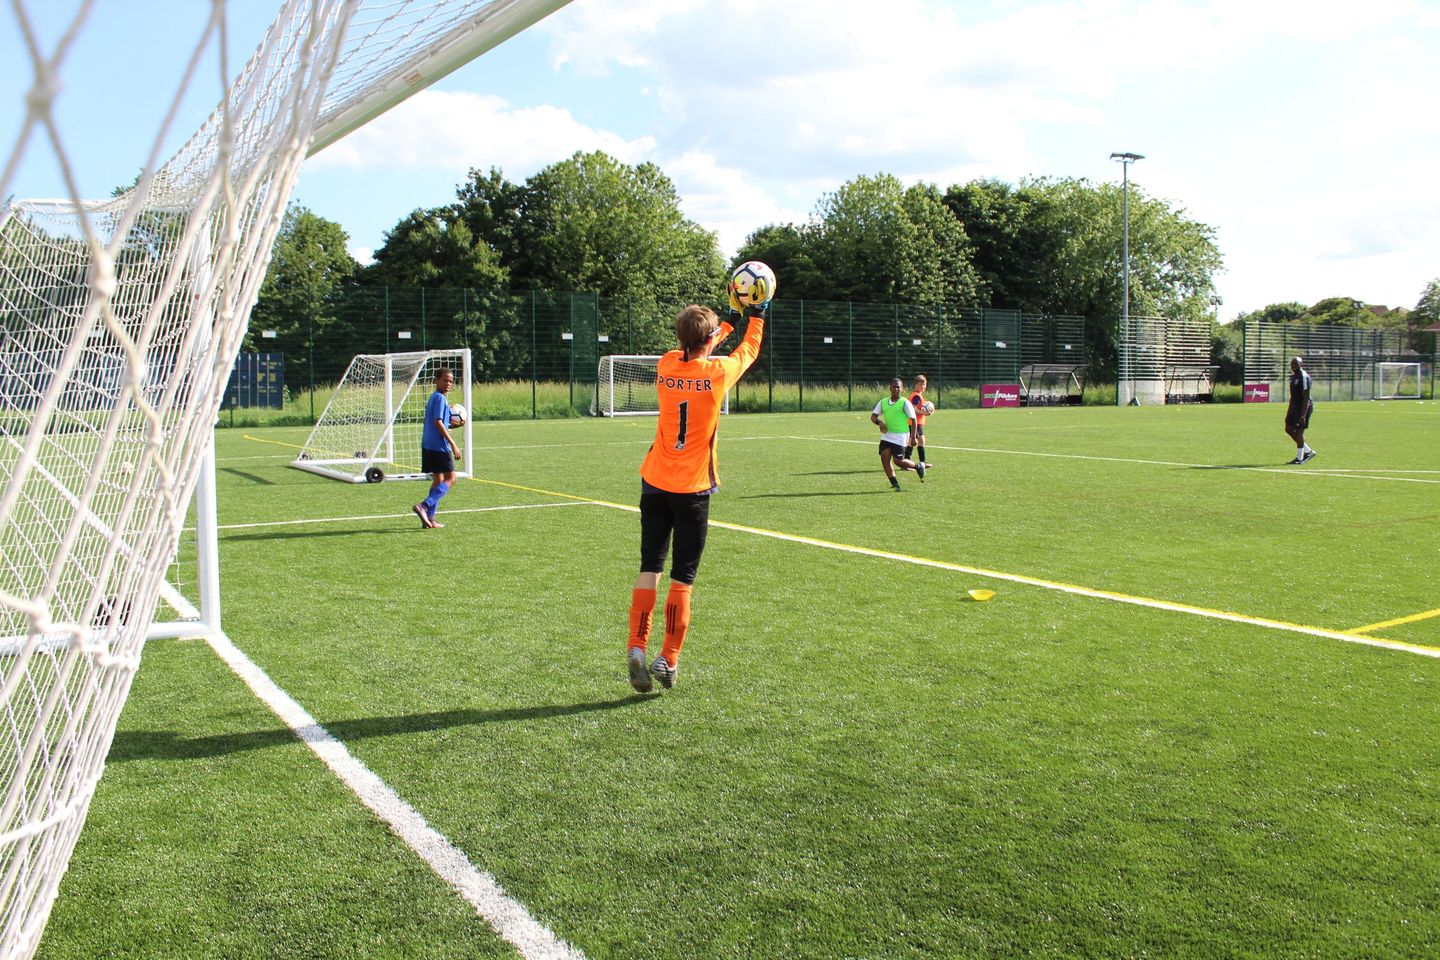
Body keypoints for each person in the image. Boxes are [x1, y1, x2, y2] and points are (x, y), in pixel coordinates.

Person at [625, 297, 765, 693]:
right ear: (708, 340)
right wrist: (757, 315)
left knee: (649, 566)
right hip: (693, 488)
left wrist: (729, 322)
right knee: (682, 577)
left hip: (654, 482)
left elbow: (700, 346)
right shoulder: (718, 373)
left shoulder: (667, 363)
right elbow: (748, 352)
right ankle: (668, 658)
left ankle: (636, 645)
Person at [414, 368, 461, 528]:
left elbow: (440, 421)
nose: (448, 384)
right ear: (436, 381)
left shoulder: (434, 397)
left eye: (451, 381)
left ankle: (430, 519)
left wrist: (451, 424)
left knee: (439, 479)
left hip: (428, 444)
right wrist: (453, 444)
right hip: (439, 446)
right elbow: (438, 422)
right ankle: (424, 506)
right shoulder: (440, 398)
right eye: (445, 380)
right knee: (451, 478)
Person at [872, 378, 925, 491]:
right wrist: (880, 422)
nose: (896, 388)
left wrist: (913, 437)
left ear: (902, 389)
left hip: (901, 436)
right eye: (894, 386)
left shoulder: (905, 402)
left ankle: (918, 466)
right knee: (884, 457)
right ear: (890, 388)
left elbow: (914, 419)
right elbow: (873, 417)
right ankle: (895, 483)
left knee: (898, 461)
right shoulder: (883, 402)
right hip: (887, 435)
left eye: (898, 387)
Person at [1285, 356, 1316, 464]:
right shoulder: (1294, 377)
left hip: (1304, 406)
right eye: (1292, 364)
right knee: (1288, 428)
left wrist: (1302, 416)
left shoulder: (1304, 377)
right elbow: (1292, 397)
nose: (1293, 366)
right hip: (1295, 406)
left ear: (1300, 365)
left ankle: (1299, 458)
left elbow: (1306, 398)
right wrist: (1289, 411)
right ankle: (1309, 451)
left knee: (1299, 431)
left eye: (1296, 364)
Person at [906, 373, 933, 470]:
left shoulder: (918, 396)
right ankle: (911, 462)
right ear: (916, 385)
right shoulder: (916, 396)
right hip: (914, 423)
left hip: (917, 423)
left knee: (915, 441)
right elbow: (912, 409)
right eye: (921, 384)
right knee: (918, 441)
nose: (923, 386)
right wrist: (924, 412)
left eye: (924, 384)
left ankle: (911, 462)